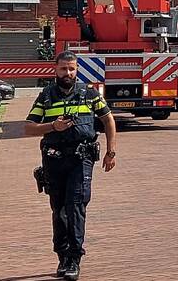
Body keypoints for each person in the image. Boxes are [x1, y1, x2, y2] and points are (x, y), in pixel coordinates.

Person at [25, 52, 117, 280]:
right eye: (64, 69)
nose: (68, 73)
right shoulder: (46, 96)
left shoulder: (89, 94)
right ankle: (62, 257)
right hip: (54, 159)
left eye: (72, 69)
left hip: (80, 159)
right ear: (55, 69)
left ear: (77, 70)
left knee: (75, 206)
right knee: (59, 209)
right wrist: (52, 126)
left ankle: (74, 259)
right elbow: (28, 127)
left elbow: (108, 119)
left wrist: (110, 152)